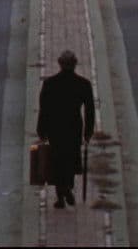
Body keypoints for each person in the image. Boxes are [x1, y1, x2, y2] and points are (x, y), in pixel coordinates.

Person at [37, 49, 95, 208]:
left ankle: (61, 194)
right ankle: (66, 187)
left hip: (55, 127)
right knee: (69, 158)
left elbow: (44, 109)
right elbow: (90, 111)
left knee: (57, 159)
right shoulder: (83, 84)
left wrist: (41, 131)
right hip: (74, 127)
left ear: (60, 64)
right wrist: (88, 132)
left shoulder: (50, 84)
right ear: (75, 65)